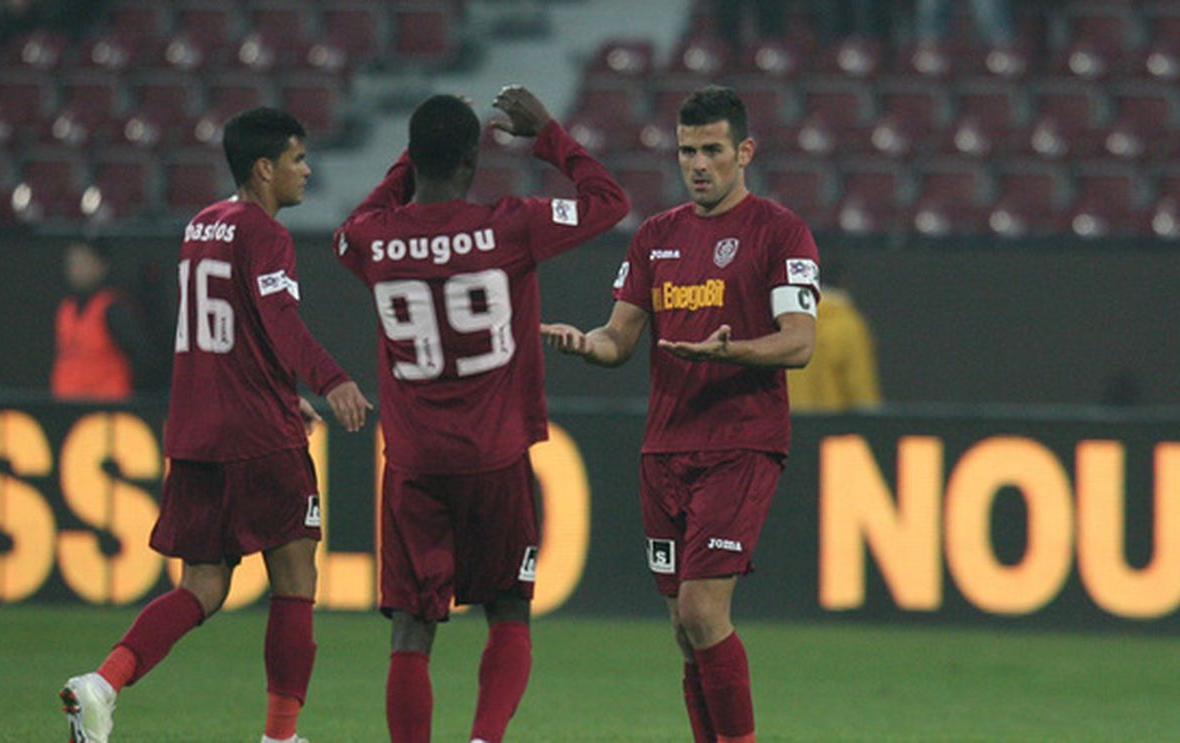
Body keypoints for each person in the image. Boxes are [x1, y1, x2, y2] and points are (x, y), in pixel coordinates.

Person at [59, 107, 373, 743]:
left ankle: (103, 683)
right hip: (260, 442)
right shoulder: (265, 234)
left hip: (198, 435)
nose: (307, 171)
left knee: (202, 584)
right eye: (297, 159)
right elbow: (279, 322)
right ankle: (280, 737)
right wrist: (331, 379)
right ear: (264, 168)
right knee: (295, 579)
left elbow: (227, 335)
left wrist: (284, 395)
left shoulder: (202, 225)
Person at [332, 86, 628, 743]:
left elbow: (350, 231)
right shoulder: (510, 223)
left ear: (413, 158)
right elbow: (610, 202)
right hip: (494, 455)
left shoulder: (375, 238)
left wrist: (406, 167)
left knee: (413, 626)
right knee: (508, 610)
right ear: (471, 162)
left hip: (413, 461)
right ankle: (483, 738)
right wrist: (548, 132)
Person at [541, 85, 819, 743]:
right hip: (665, 449)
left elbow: (800, 341)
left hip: (741, 440)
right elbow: (620, 338)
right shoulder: (657, 236)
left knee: (701, 608)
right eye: (688, 150)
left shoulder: (780, 231)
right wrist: (590, 343)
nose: (698, 164)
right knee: (682, 626)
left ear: (744, 151)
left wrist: (734, 351)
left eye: (713, 150)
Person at [51, 240, 154, 401]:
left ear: (101, 265)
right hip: (67, 408)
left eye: (84, 262)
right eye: (72, 263)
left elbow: (143, 357)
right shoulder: (66, 308)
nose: (76, 270)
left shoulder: (113, 308)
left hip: (107, 409)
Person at [785, 259, 881, 412]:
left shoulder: (784, 321)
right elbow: (859, 386)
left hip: (788, 423)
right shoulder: (847, 324)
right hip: (831, 428)